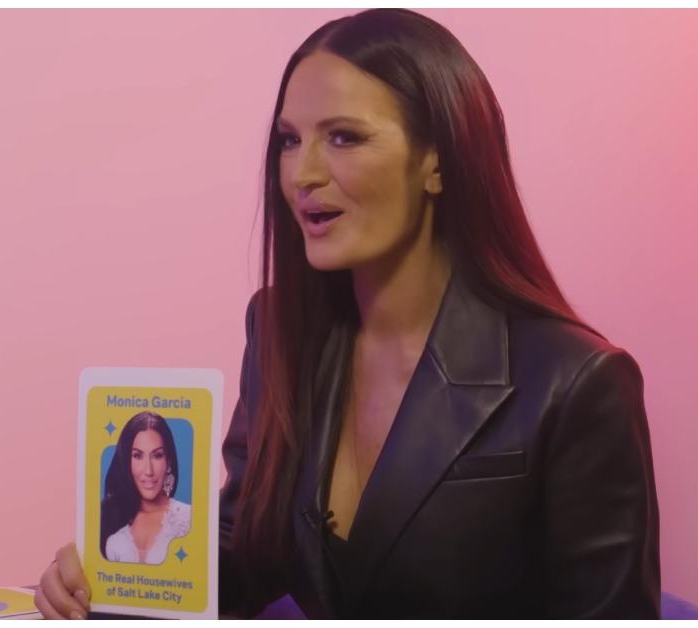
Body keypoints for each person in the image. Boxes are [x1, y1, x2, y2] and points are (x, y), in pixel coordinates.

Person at [37, 8, 659, 619]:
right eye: (289, 140)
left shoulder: (578, 382)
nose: (301, 174)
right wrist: (111, 586)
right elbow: (240, 555)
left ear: (437, 160)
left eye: (343, 137)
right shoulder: (280, 330)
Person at [100, 411, 191, 565]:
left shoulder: (190, 518)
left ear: (168, 461)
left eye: (157, 455)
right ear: (127, 462)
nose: (148, 470)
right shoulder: (111, 518)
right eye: (137, 456)